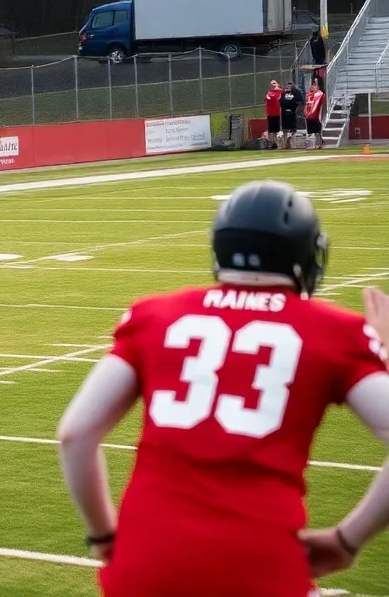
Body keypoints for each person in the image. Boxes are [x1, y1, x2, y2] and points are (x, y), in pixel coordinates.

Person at [57, 180, 389, 597]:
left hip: (146, 563)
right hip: (259, 565)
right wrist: (347, 539)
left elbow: (75, 435)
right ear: (304, 252)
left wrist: (103, 536)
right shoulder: (336, 332)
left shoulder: (155, 315)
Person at [279, 80, 302, 149]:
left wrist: (295, 110)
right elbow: (281, 102)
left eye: (290, 85)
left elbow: (299, 102)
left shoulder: (296, 93)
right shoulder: (283, 93)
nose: (288, 86)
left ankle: (294, 145)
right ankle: (284, 145)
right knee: (284, 130)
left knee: (293, 131)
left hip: (292, 114)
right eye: (287, 85)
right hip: (284, 114)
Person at [305, 78, 325, 149]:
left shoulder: (319, 94)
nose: (313, 87)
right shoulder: (308, 95)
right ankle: (315, 144)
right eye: (312, 86)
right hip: (310, 115)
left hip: (316, 115)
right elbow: (307, 104)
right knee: (312, 131)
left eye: (315, 86)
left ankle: (319, 144)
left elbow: (322, 97)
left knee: (317, 131)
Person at [264, 79, 283, 148]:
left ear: (278, 84)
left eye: (274, 83)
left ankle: (275, 142)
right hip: (270, 113)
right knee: (270, 130)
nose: (273, 85)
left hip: (277, 113)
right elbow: (266, 100)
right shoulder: (268, 93)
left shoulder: (281, 92)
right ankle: (271, 142)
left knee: (275, 130)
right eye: (271, 84)